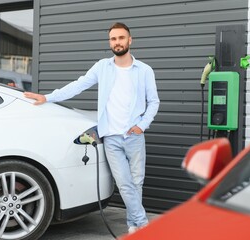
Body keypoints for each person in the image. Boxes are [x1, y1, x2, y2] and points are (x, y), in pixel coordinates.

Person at [24, 22, 160, 233]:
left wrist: (142, 125)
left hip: (134, 136)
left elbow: (154, 102)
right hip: (111, 137)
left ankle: (133, 226)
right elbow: (78, 85)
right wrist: (48, 97)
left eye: (121, 38)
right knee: (125, 184)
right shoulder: (102, 67)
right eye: (113, 39)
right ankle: (143, 225)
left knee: (136, 183)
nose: (117, 42)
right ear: (110, 42)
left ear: (130, 40)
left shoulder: (144, 70)